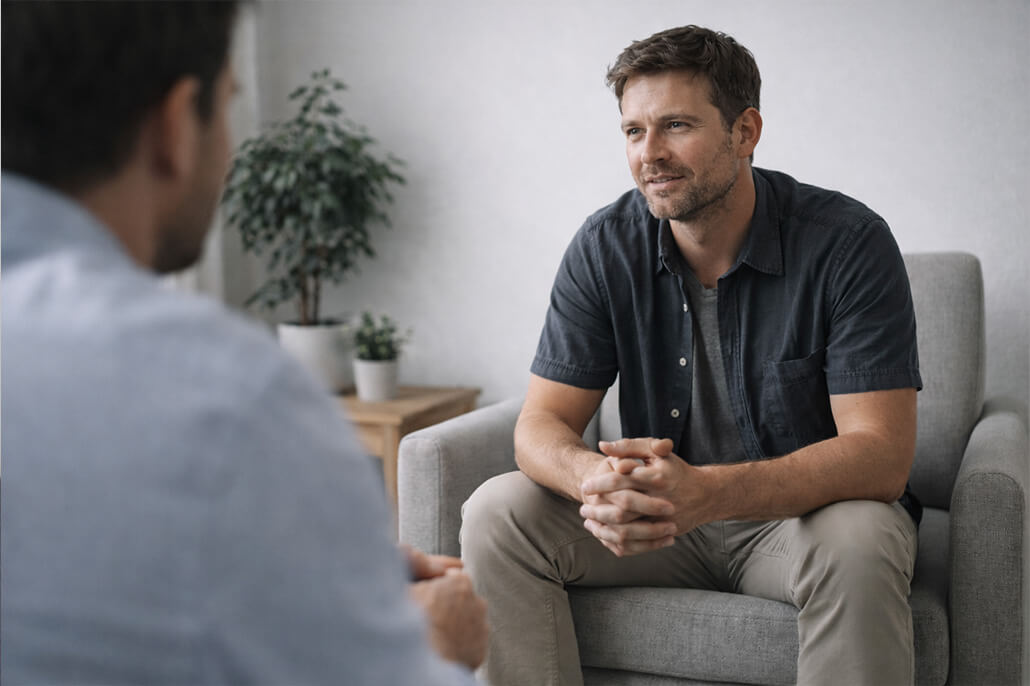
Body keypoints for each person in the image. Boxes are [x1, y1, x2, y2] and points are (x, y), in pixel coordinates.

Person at [0, 2, 487, 684]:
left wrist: (317, 575)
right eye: (228, 106)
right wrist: (439, 645)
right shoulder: (227, 400)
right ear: (175, 125)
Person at [460, 24, 922, 686]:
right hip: (660, 524)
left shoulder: (847, 244)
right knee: (496, 513)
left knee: (860, 538)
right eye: (632, 131)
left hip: (795, 526)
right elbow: (540, 426)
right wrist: (595, 480)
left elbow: (882, 456)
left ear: (745, 131)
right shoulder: (603, 247)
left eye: (675, 126)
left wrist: (709, 492)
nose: (651, 153)